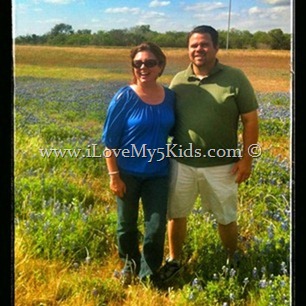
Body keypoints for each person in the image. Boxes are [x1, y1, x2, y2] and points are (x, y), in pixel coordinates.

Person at [159, 25, 259, 281]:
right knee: (176, 213)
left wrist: (247, 159)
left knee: (226, 216)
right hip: (182, 162)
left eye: (204, 44)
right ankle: (174, 259)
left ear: (216, 47)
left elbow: (250, 121)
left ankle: (232, 256)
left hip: (222, 164)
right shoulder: (179, 80)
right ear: (188, 49)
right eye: (194, 45)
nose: (198, 49)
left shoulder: (235, 78)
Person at [101, 42, 175, 286]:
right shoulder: (124, 97)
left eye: (150, 62)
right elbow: (109, 141)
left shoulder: (170, 97)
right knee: (126, 225)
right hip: (127, 173)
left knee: (155, 228)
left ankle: (148, 274)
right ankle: (129, 266)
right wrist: (114, 176)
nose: (144, 67)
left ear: (160, 66)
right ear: (133, 67)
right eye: (138, 63)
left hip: (158, 174)